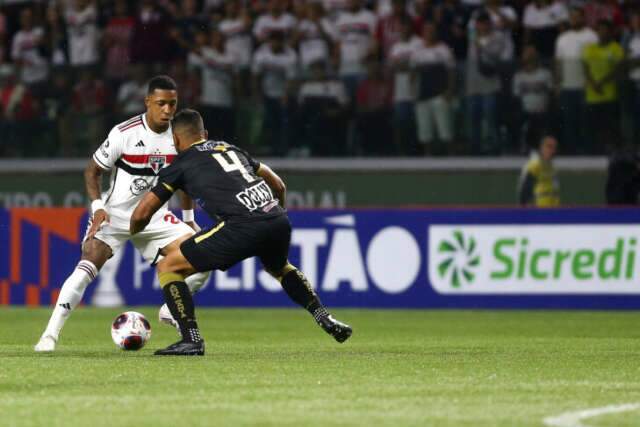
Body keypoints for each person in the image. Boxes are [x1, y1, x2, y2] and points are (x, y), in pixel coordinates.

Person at [130, 109, 353, 356]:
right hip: (276, 218)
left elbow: (141, 214)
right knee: (280, 268)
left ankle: (191, 339)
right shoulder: (230, 148)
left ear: (175, 140)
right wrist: (274, 213)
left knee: (168, 266)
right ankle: (324, 316)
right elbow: (278, 183)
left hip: (241, 224)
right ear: (204, 134)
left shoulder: (180, 164)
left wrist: (131, 232)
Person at [34, 76, 208, 352]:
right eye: (161, 103)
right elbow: (92, 170)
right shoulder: (124, 133)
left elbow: (184, 179)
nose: (167, 110)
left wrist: (189, 220)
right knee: (85, 268)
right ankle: (49, 335)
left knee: (204, 256)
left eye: (172, 104)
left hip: (155, 217)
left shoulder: (178, 137)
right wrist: (98, 208)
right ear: (148, 102)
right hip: (115, 215)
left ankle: (169, 310)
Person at [582, 19, 624, 154]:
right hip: (592, 95)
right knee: (594, 126)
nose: (603, 33)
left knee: (611, 126)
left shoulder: (616, 48)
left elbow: (618, 69)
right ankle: (594, 152)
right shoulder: (589, 48)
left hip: (609, 95)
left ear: (610, 32)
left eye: (606, 30)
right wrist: (593, 83)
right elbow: (585, 68)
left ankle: (613, 152)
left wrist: (602, 82)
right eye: (600, 30)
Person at [518, 135, 560, 207]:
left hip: (553, 210)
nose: (552, 150)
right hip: (539, 210)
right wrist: (525, 208)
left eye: (554, 147)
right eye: (549, 147)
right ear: (542, 148)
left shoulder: (551, 166)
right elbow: (525, 189)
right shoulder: (535, 165)